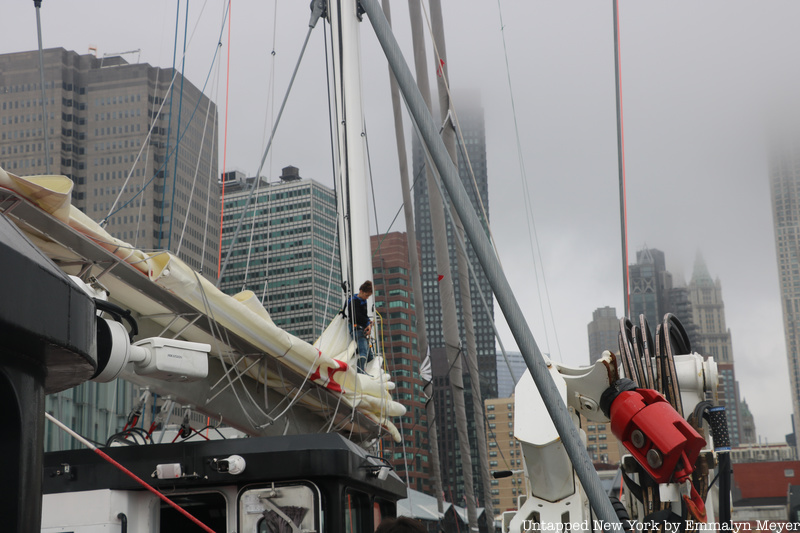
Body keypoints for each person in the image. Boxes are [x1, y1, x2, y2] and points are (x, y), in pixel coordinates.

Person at [343, 280, 374, 374]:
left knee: (370, 356)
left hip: (362, 328)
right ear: (361, 291)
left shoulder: (363, 301)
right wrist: (367, 322)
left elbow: (363, 315)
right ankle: (360, 372)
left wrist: (368, 322)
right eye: (366, 295)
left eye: (368, 296)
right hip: (357, 329)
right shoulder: (354, 301)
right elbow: (356, 316)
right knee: (363, 351)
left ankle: (364, 370)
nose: (367, 298)